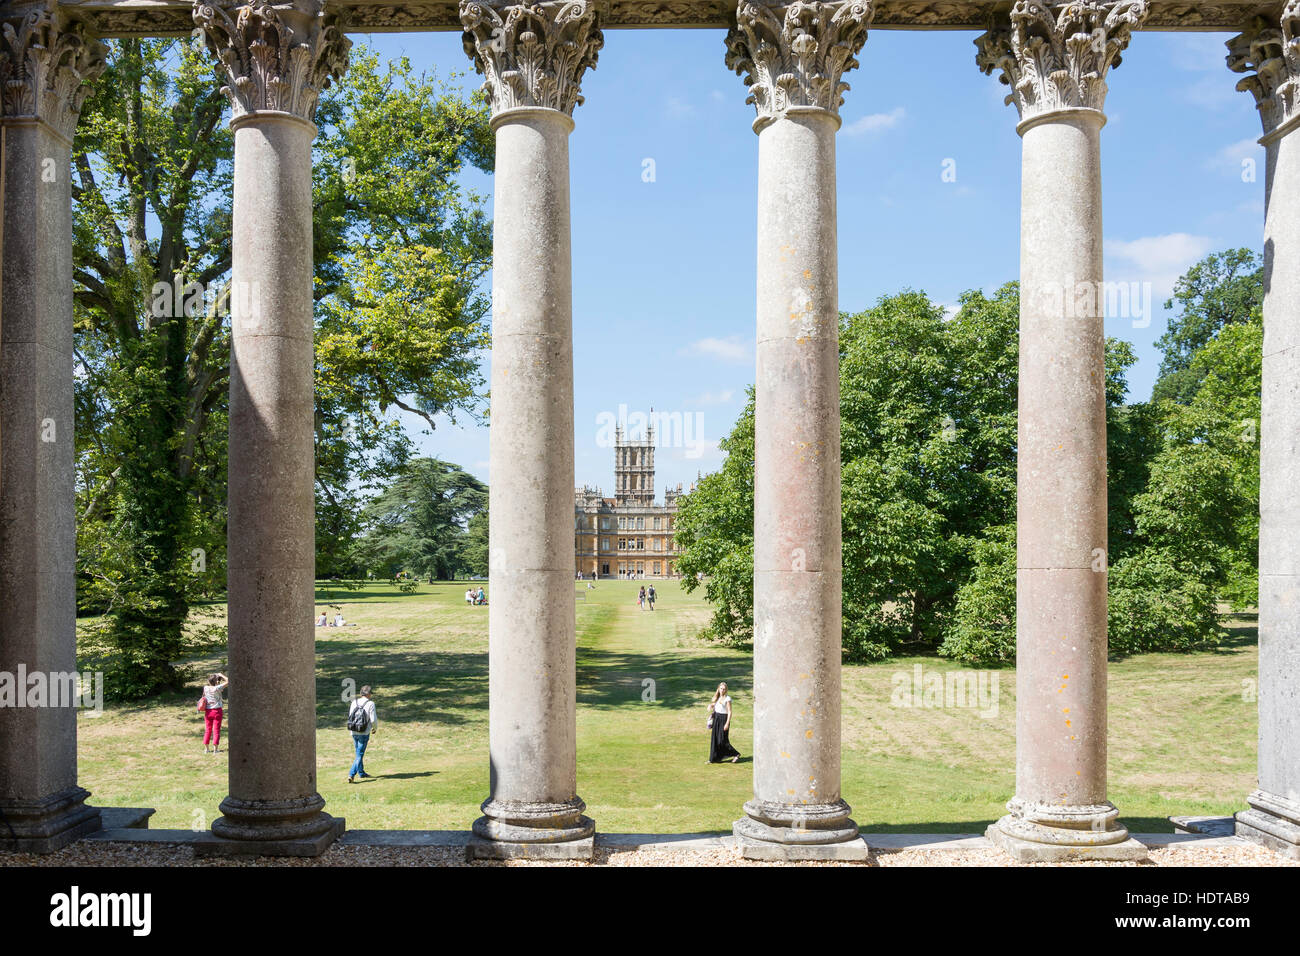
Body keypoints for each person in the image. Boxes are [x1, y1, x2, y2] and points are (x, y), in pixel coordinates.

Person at [347, 685, 377, 783]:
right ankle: (351, 774)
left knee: (358, 752)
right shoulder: (371, 703)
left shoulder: (354, 702)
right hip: (364, 731)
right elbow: (373, 719)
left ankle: (361, 772)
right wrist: (374, 728)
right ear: (368, 694)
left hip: (354, 730)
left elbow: (350, 716)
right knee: (360, 754)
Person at [708, 681, 741, 763]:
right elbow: (716, 705)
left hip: (724, 719)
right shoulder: (718, 697)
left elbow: (729, 712)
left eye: (724, 689)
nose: (722, 690)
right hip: (716, 719)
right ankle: (713, 759)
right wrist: (711, 705)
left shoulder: (728, 699)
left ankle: (736, 754)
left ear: (726, 690)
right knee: (715, 739)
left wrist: (727, 723)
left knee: (722, 740)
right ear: (718, 689)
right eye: (721, 688)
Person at [201, 672, 228, 754]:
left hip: (208, 711)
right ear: (216, 682)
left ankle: (206, 749)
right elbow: (228, 681)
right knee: (216, 730)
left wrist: (216, 678)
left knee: (208, 730)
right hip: (217, 711)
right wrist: (221, 675)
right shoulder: (217, 688)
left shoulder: (205, 688)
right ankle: (215, 750)